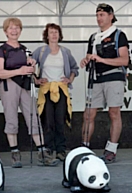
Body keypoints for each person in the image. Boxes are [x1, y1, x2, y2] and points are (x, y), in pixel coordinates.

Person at [0, 17, 59, 168]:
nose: (14, 30)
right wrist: (20, 70)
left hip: (25, 85)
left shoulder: (24, 49)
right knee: (11, 119)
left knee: (33, 117)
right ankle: (15, 153)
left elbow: (30, 71)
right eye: (11, 28)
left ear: (20, 30)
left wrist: (32, 68)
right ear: (5, 31)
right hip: (9, 85)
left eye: (17, 28)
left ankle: (42, 153)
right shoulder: (1, 50)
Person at [80, 3, 129, 163]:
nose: (99, 18)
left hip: (114, 77)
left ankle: (111, 149)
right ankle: (84, 147)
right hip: (96, 78)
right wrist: (86, 60)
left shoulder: (119, 35)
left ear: (111, 15)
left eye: (102, 15)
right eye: (97, 15)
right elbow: (89, 56)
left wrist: (101, 59)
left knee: (114, 113)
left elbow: (124, 60)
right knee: (88, 114)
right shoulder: (94, 37)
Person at [32, 23, 79, 161]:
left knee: (60, 120)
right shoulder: (40, 51)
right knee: (48, 121)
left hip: (60, 89)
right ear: (46, 35)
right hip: (45, 90)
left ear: (60, 35)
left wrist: (69, 79)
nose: (54, 35)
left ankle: (61, 150)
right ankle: (48, 149)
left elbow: (75, 68)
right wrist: (36, 80)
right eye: (51, 32)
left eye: (56, 32)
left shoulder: (65, 52)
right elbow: (29, 66)